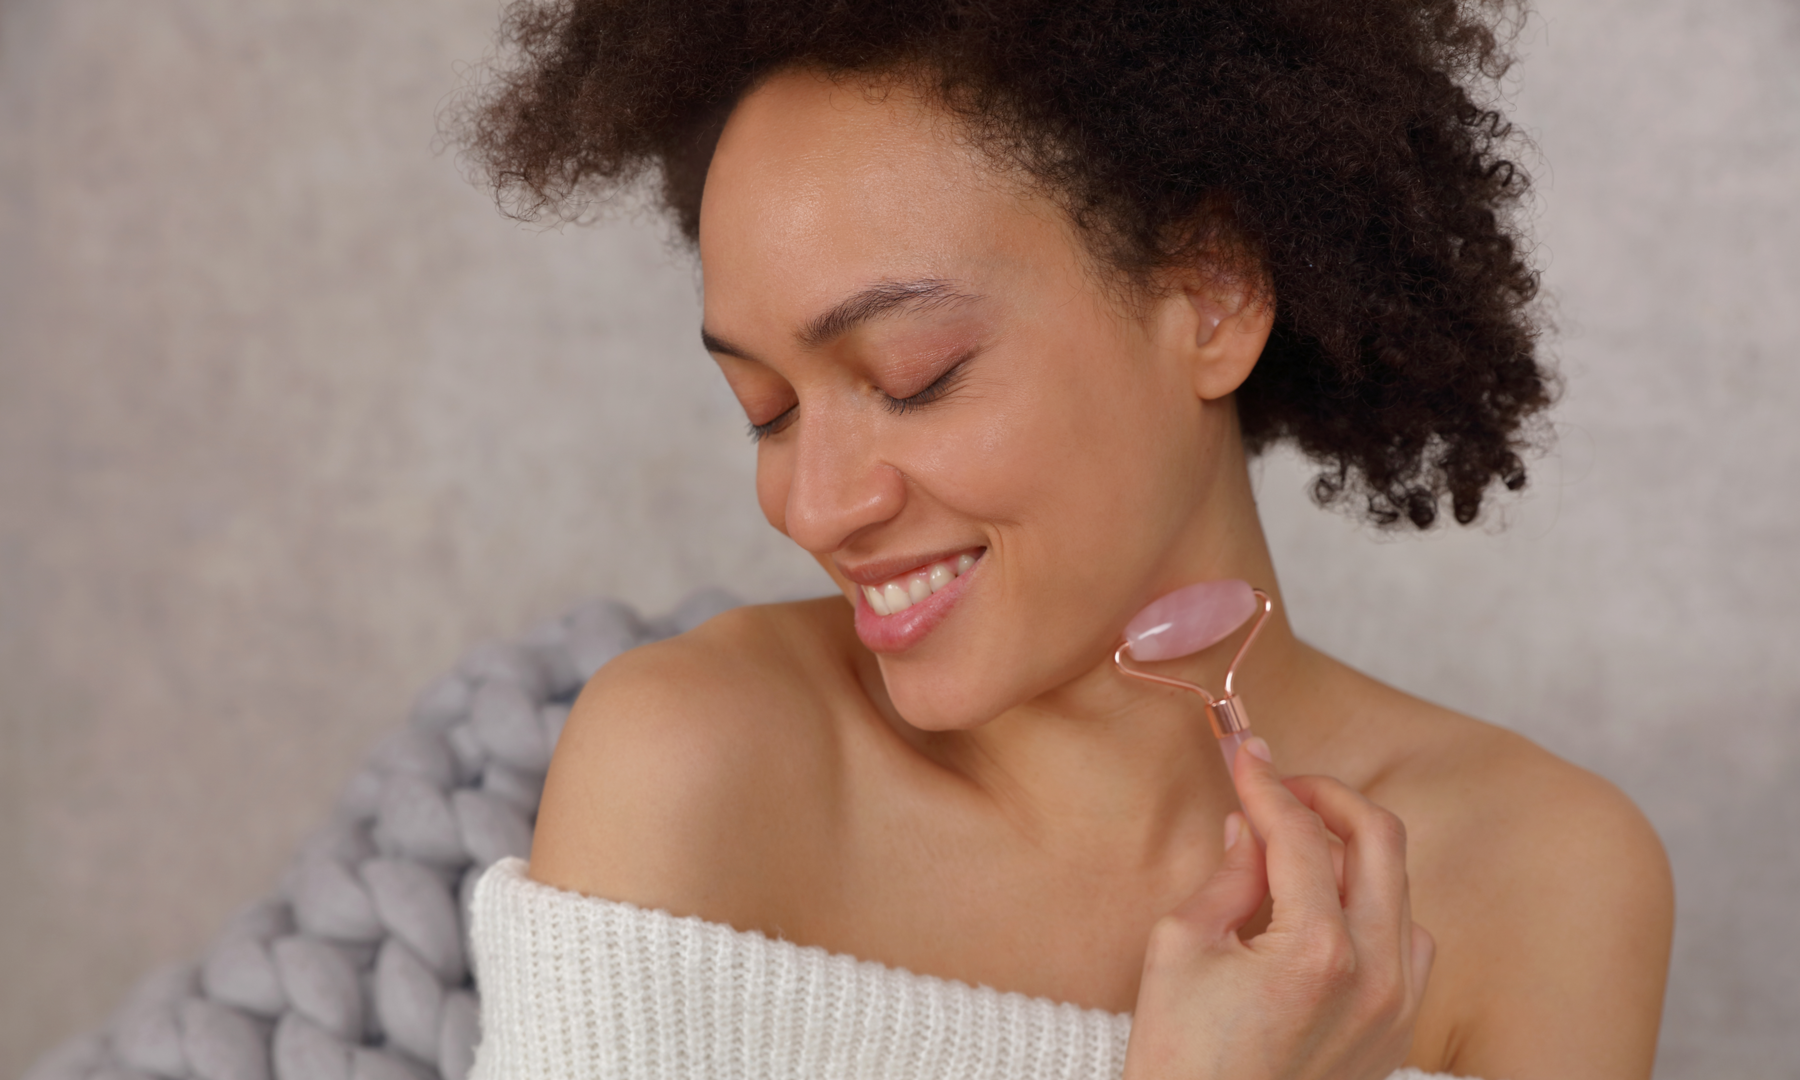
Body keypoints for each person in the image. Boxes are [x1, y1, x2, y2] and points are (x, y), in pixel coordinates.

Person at [455, 1, 1674, 1077]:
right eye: (765, 410)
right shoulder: (699, 770)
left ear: (1211, 295)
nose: (815, 507)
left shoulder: (1541, 880)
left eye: (913, 377)